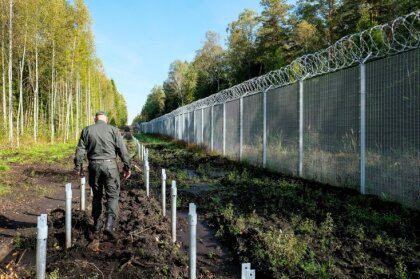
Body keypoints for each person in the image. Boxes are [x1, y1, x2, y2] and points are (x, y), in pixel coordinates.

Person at [74, 111, 131, 239]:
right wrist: (127, 166)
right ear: (106, 119)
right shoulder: (113, 130)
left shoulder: (87, 130)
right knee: (113, 195)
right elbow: (122, 149)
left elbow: (80, 150)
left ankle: (97, 224)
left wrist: (78, 167)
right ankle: (109, 225)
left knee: (96, 195)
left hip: (94, 166)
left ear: (95, 119)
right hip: (110, 166)